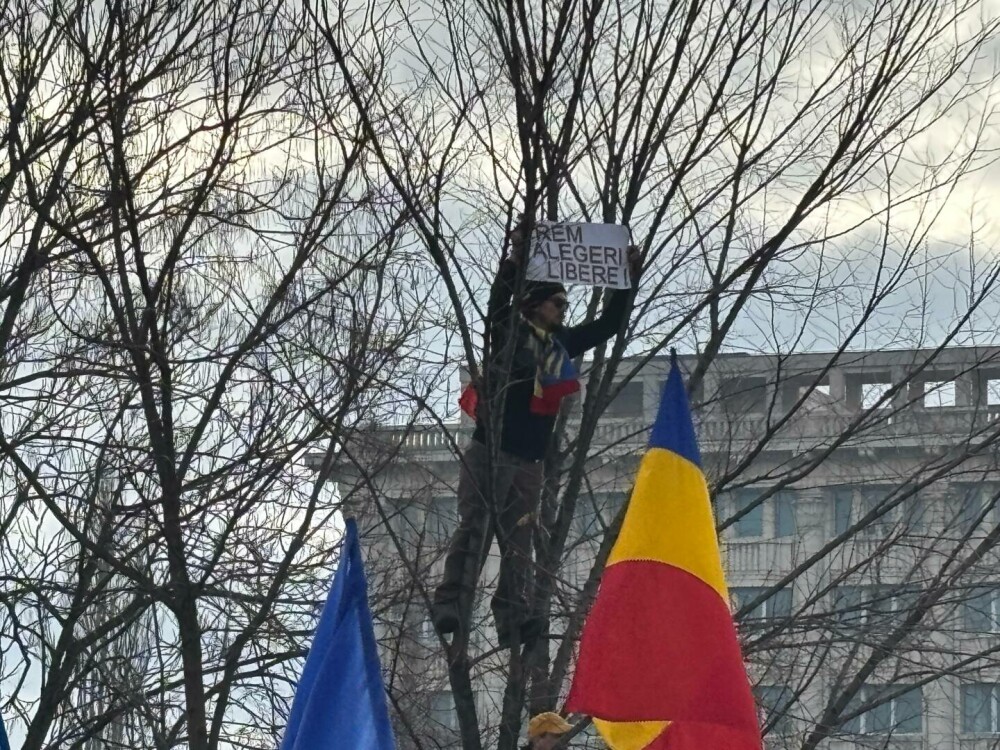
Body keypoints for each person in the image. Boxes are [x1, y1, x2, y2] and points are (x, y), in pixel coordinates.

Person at [431, 218, 641, 648]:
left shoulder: (560, 346)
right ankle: (451, 604)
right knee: (474, 527)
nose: (564, 310)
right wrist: (518, 258)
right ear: (535, 305)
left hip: (530, 459)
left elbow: (607, 326)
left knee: (520, 540)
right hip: (491, 452)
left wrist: (625, 281)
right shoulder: (509, 334)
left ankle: (513, 618)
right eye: (558, 303)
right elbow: (497, 302)